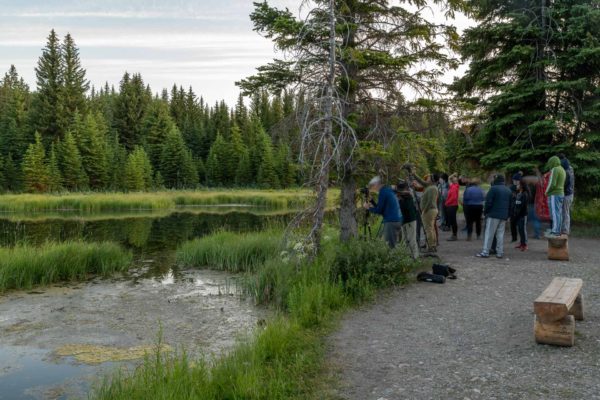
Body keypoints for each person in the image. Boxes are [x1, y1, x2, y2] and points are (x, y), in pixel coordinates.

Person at [477, 174, 512, 258]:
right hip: (503, 215)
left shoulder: (493, 189)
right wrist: (508, 215)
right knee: (500, 235)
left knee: (489, 234)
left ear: (496, 180)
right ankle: (500, 252)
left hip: (493, 214)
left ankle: (485, 252)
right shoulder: (508, 190)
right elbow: (510, 205)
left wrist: (485, 212)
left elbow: (488, 202)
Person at [364, 176, 403, 248]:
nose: (372, 188)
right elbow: (382, 208)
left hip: (391, 221)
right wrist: (372, 201)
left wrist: (368, 208)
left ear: (376, 184)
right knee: (392, 244)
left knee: (390, 246)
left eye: (372, 186)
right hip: (398, 220)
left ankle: (393, 258)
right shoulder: (387, 190)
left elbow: (379, 210)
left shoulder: (382, 192)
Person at [412, 171, 440, 253]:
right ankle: (432, 245)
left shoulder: (432, 188)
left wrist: (424, 210)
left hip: (429, 210)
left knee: (428, 229)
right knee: (431, 229)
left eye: (429, 177)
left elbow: (430, 201)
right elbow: (421, 181)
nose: (427, 178)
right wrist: (414, 174)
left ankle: (431, 247)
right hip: (430, 210)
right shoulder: (429, 186)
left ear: (432, 180)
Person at [396, 180, 419, 259]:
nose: (401, 191)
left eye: (402, 189)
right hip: (404, 221)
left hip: (410, 220)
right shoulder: (402, 196)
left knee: (412, 239)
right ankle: (406, 256)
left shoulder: (408, 196)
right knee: (404, 239)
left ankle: (415, 257)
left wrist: (399, 199)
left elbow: (407, 208)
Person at [545, 156, 566, 237]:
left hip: (555, 194)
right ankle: (558, 230)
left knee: (554, 213)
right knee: (559, 213)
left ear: (552, 162)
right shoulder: (562, 169)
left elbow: (552, 184)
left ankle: (555, 231)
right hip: (561, 193)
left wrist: (546, 191)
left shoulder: (555, 169)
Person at [558, 154, 575, 235]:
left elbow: (564, 185)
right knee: (565, 212)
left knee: (565, 213)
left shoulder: (566, 172)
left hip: (567, 195)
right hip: (570, 194)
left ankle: (565, 230)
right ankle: (564, 229)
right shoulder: (570, 168)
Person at [513, 181, 530, 251]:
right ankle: (521, 243)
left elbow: (523, 205)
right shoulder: (518, 193)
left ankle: (525, 245)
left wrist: (518, 213)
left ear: (522, 186)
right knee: (520, 229)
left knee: (523, 229)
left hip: (522, 215)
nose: (517, 185)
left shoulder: (525, 194)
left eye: (518, 184)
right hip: (518, 214)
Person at [445, 173, 460, 241]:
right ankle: (454, 235)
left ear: (456, 179)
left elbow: (453, 198)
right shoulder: (453, 185)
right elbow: (449, 178)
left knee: (453, 221)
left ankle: (454, 235)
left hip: (452, 205)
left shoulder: (454, 186)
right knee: (452, 221)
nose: (452, 178)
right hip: (452, 205)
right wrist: (453, 175)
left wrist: (447, 203)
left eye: (455, 177)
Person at [509, 172, 522, 242]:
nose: (514, 181)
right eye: (514, 180)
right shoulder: (511, 187)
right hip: (513, 209)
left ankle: (522, 239)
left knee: (520, 225)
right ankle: (514, 238)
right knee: (512, 224)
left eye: (516, 180)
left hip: (520, 209)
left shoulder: (522, 187)